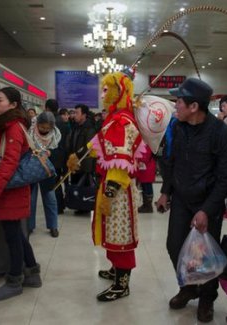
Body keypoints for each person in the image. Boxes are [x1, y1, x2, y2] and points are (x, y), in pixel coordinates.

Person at [156, 78, 227, 323]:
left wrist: (206, 210)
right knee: (174, 246)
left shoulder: (221, 134)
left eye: (178, 101)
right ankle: (188, 287)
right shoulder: (178, 127)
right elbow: (171, 162)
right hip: (181, 199)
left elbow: (226, 178)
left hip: (207, 203)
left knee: (205, 254)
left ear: (194, 107)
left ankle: (207, 298)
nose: (175, 106)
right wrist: (166, 191)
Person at [68, 69, 145, 302]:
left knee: (120, 235)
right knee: (111, 231)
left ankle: (123, 283)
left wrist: (110, 191)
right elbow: (99, 142)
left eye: (106, 90)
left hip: (118, 189)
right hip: (111, 185)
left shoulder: (122, 121)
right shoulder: (114, 118)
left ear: (119, 92)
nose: (103, 95)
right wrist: (80, 155)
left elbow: (121, 160)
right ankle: (115, 269)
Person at [0, 87, 41, 301]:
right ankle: (32, 273)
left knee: (12, 236)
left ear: (13, 105)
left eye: (0, 100)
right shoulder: (7, 125)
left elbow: (8, 162)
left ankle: (15, 280)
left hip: (11, 189)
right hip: (10, 187)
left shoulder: (13, 127)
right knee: (15, 233)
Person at [27, 111, 61, 237]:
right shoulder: (30, 131)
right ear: (38, 124)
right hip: (32, 169)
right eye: (42, 127)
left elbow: (61, 151)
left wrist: (50, 153)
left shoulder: (56, 135)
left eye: (48, 128)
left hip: (48, 171)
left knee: (50, 199)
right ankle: (29, 226)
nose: (45, 130)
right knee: (31, 199)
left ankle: (53, 226)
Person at [66, 104, 97, 214]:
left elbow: (88, 147)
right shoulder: (76, 127)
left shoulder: (89, 128)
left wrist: (77, 156)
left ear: (84, 115)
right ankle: (79, 205)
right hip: (75, 161)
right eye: (74, 112)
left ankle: (84, 207)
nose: (74, 115)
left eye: (77, 113)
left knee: (84, 187)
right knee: (76, 184)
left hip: (84, 163)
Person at [137, 144, 156, 213]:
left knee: (147, 187)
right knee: (145, 187)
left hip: (146, 168)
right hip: (145, 168)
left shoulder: (147, 143)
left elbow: (145, 155)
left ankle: (148, 206)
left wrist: (140, 160)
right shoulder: (147, 141)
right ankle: (146, 205)